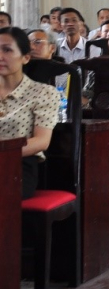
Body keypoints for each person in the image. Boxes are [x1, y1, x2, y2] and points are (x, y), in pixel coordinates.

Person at [0, 27, 61, 198]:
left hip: (18, 167)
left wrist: (4, 152)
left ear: (25, 57)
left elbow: (41, 141)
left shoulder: (44, 93)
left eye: (7, 50)